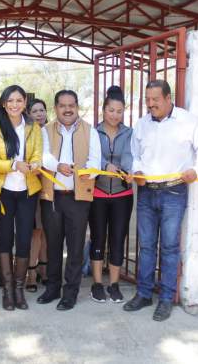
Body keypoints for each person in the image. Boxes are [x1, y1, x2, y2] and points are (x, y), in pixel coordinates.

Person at [125, 79, 198, 321]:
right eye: (147, 100)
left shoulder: (187, 121)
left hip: (174, 192)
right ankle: (143, 293)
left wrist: (197, 170)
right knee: (146, 245)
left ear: (168, 98)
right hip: (146, 193)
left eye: (155, 100)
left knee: (170, 247)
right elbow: (135, 154)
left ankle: (165, 298)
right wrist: (138, 171)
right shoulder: (142, 124)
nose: (150, 105)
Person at [37, 90, 100, 311]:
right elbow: (43, 156)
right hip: (52, 197)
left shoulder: (90, 131)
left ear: (77, 106)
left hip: (78, 198)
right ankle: (52, 288)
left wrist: (86, 172)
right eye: (62, 105)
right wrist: (58, 167)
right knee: (53, 245)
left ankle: (70, 292)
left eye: (71, 105)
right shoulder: (45, 130)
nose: (67, 109)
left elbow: (96, 161)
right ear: (56, 108)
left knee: (74, 247)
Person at [0, 85, 43, 311]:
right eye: (11, 100)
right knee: (6, 238)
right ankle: (8, 290)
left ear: (25, 103)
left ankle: (19, 289)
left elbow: (37, 153)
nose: (15, 104)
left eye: (19, 100)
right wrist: (13, 165)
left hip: (27, 191)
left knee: (25, 239)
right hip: (3, 192)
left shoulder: (33, 126)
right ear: (4, 102)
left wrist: (35, 163)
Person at [89, 86, 134, 304]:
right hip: (97, 194)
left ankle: (114, 284)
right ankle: (97, 284)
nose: (115, 115)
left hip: (122, 194)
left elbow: (132, 157)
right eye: (111, 110)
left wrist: (129, 171)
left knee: (118, 239)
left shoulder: (130, 133)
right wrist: (105, 165)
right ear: (103, 110)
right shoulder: (92, 132)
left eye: (119, 111)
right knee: (98, 238)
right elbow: (88, 159)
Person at [26, 99, 49, 291]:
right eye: (35, 111)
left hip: (50, 189)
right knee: (35, 233)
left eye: (42, 110)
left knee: (46, 232)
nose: (39, 114)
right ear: (29, 114)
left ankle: (44, 270)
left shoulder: (51, 132)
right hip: (32, 189)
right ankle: (31, 274)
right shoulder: (27, 133)